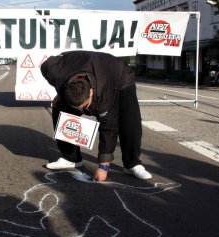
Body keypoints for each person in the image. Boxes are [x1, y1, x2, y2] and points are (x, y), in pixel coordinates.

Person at [40, 50, 152, 181]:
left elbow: (109, 126)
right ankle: (71, 158)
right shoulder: (54, 72)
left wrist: (104, 166)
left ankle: (132, 163)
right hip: (74, 65)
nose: (83, 111)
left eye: (85, 106)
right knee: (59, 107)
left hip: (119, 76)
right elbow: (45, 65)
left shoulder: (105, 92)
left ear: (91, 93)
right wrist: (60, 94)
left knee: (130, 120)